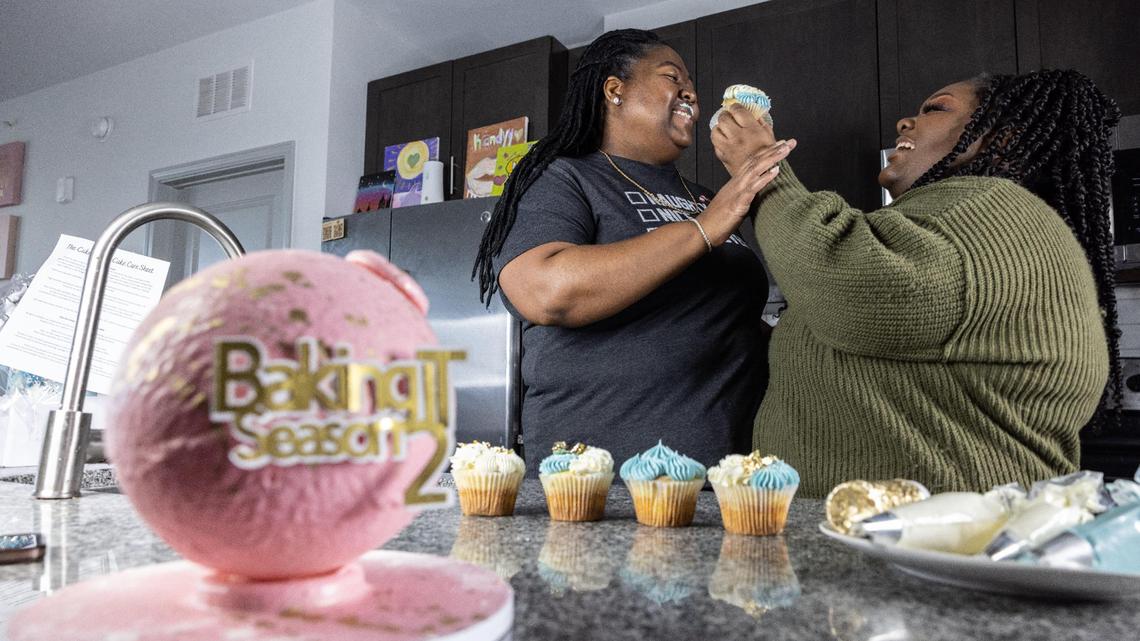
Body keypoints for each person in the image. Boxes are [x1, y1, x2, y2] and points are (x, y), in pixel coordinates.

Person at [711, 70, 1123, 497]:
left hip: (939, 544)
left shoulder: (997, 207)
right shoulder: (952, 227)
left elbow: (852, 289)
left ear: (999, 139)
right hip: (882, 537)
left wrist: (760, 167)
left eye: (936, 109)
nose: (905, 123)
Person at [472, 29, 789, 475]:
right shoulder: (564, 177)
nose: (691, 92)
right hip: (601, 484)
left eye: (692, 83)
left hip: (727, 477)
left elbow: (719, 321)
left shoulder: (704, 198)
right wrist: (706, 227)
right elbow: (546, 290)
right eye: (671, 77)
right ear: (614, 90)